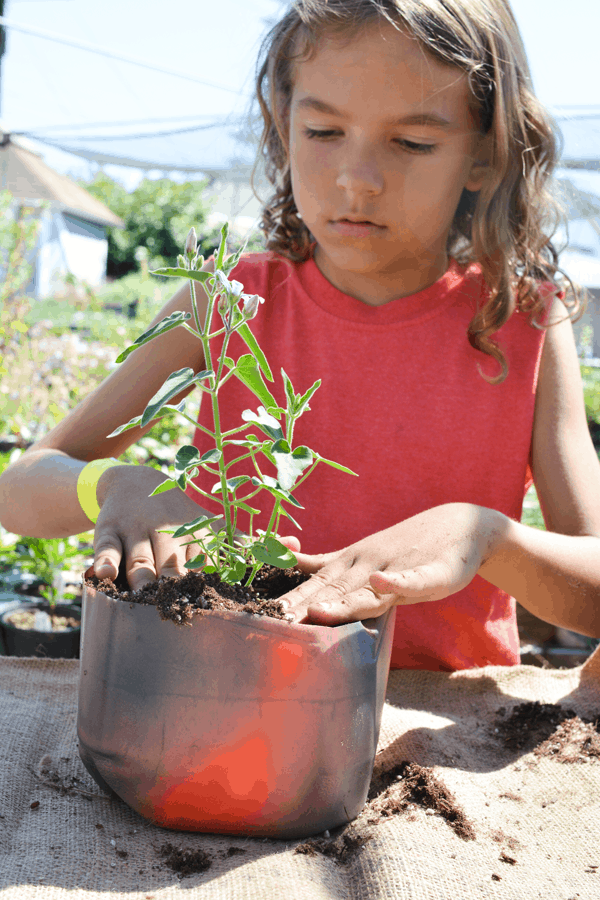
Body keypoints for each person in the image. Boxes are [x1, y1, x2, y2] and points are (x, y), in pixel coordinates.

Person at [1, 0, 599, 672]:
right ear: (282, 126)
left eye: (412, 143)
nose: (356, 179)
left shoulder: (522, 322)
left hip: (446, 739)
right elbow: (20, 490)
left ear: (485, 158)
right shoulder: (223, 300)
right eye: (322, 130)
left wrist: (489, 540)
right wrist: (112, 484)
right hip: (222, 704)